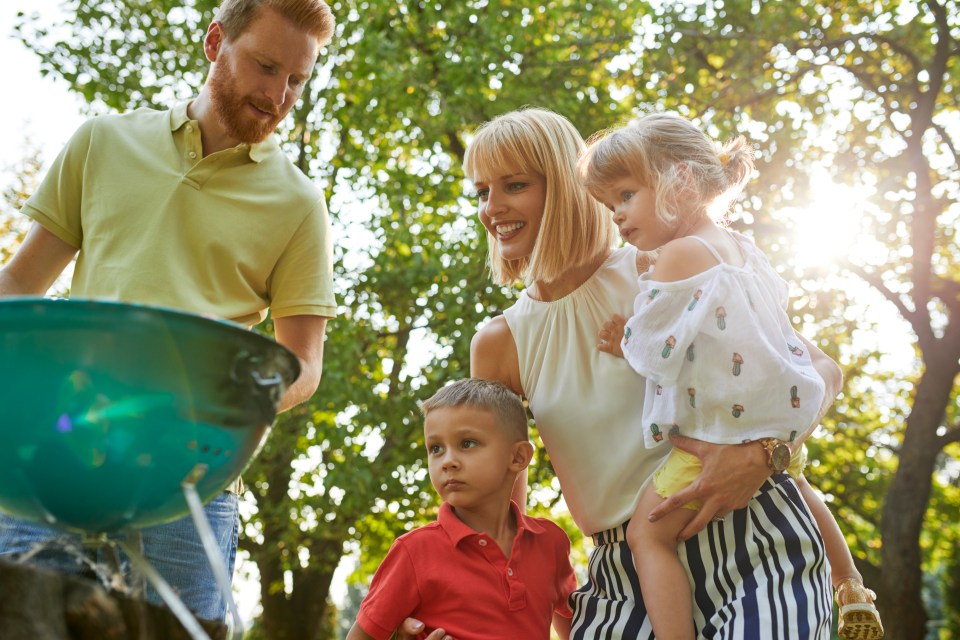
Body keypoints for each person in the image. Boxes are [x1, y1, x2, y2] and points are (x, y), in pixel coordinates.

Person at [395, 106, 843, 639]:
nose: (493, 209)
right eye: (481, 192)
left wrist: (764, 452)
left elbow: (817, 369)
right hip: (621, 574)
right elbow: (498, 521)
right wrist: (459, 612)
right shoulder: (499, 344)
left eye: (513, 185)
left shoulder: (658, 265)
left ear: (564, 188)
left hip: (748, 533)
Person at [0, 0, 337, 622]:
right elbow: (19, 284)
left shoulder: (299, 202)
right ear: (215, 42)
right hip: (60, 461)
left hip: (192, 484)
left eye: (297, 79)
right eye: (266, 66)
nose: (279, 94)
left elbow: (302, 364)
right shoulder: (102, 141)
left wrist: (214, 406)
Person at [580, 112, 883, 640]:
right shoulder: (745, 250)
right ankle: (851, 583)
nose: (618, 219)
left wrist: (620, 337)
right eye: (610, 207)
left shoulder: (677, 257)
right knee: (799, 484)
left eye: (626, 196)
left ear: (681, 179)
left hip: (721, 433)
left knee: (646, 535)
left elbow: (654, 350)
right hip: (780, 420)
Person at [347, 378, 577, 640]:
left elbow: (575, 628)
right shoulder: (414, 552)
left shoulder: (550, 543)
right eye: (435, 448)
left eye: (467, 443)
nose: (448, 462)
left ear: (518, 457)